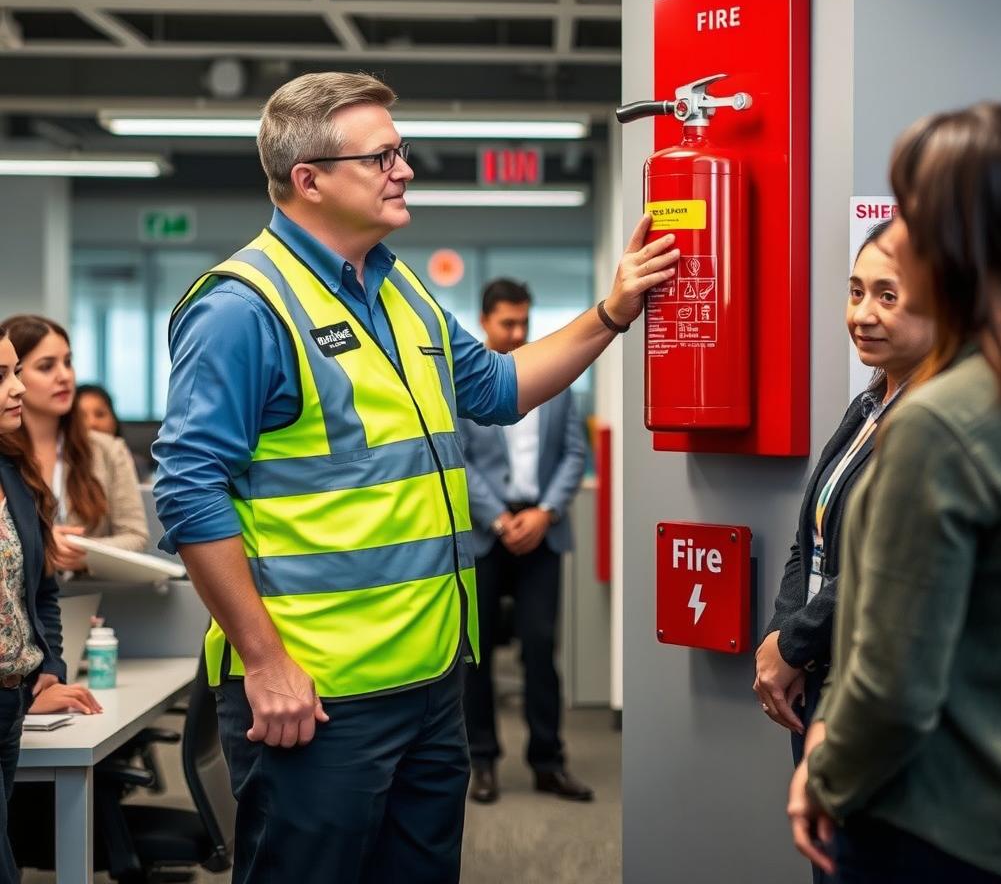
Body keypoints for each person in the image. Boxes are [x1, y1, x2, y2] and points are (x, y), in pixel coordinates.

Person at [152, 71, 676, 883]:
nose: (405, 169)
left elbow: (499, 389)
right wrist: (265, 662)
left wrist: (611, 313)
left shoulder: (399, 288)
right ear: (310, 179)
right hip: (316, 697)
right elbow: (188, 492)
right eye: (383, 155)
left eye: (402, 151)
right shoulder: (242, 307)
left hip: (432, 680)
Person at [789, 102, 1001, 883]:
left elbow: (892, 682)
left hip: (935, 821)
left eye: (913, 214)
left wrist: (825, 775)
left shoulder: (942, 422)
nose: (894, 237)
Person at [754, 221, 932, 766]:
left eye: (888, 296)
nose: (861, 314)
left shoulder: (935, 423)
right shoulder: (867, 405)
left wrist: (791, 647)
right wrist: (782, 639)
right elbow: (810, 540)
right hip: (819, 671)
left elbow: (883, 562)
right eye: (856, 292)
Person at [459, 278, 589, 805]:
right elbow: (455, 457)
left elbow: (575, 455)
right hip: (486, 530)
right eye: (507, 323)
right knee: (478, 654)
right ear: (486, 321)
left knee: (540, 648)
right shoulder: (463, 382)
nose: (517, 332)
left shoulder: (555, 381)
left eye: (523, 322)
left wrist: (545, 512)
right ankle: (482, 761)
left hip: (543, 528)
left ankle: (548, 762)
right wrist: (497, 517)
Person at [0, 327, 88, 883]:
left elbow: (42, 593)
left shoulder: (13, 473)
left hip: (11, 705)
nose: (14, 390)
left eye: (13, 372)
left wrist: (48, 671)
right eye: (0, 377)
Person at [0, 317, 147, 572]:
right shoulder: (4, 454)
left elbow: (136, 536)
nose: (65, 376)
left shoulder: (107, 449)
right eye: (46, 367)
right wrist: (39, 543)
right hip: (22, 604)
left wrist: (81, 550)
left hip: (91, 600)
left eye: (68, 363)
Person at [76, 382, 153, 481]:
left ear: (114, 421)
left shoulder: (135, 465)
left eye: (100, 414)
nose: (92, 423)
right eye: (81, 416)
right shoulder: (61, 465)